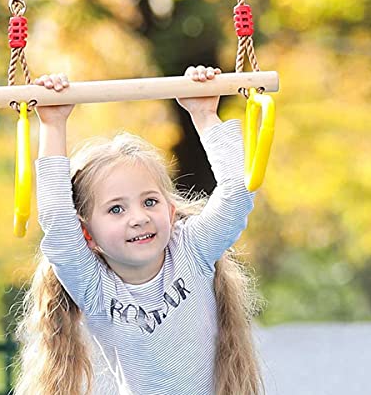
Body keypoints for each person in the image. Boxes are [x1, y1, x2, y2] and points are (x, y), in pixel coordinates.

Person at [14, 66, 264, 395]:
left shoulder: (190, 250)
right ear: (87, 235)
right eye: (116, 209)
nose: (138, 218)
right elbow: (58, 222)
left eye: (149, 202)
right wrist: (53, 124)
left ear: (171, 212)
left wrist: (204, 114)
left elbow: (237, 194)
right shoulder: (95, 287)